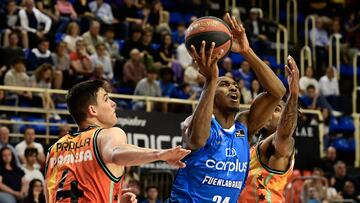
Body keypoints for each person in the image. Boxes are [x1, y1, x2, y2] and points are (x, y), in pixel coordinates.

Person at [169, 13, 286, 202]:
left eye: (236, 86)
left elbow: (277, 92)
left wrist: (246, 51)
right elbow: (197, 140)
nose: (233, 87)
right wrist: (211, 80)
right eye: (224, 84)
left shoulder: (244, 126)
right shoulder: (192, 123)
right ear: (212, 93)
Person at [45, 79, 190, 202]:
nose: (113, 103)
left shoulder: (54, 149)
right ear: (93, 110)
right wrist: (160, 154)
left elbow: (51, 196)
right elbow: (115, 153)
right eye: (106, 99)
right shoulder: (106, 135)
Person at [238, 56, 299, 202]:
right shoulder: (249, 147)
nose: (268, 112)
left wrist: (294, 94)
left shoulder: (283, 144)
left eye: (276, 109)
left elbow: (283, 136)